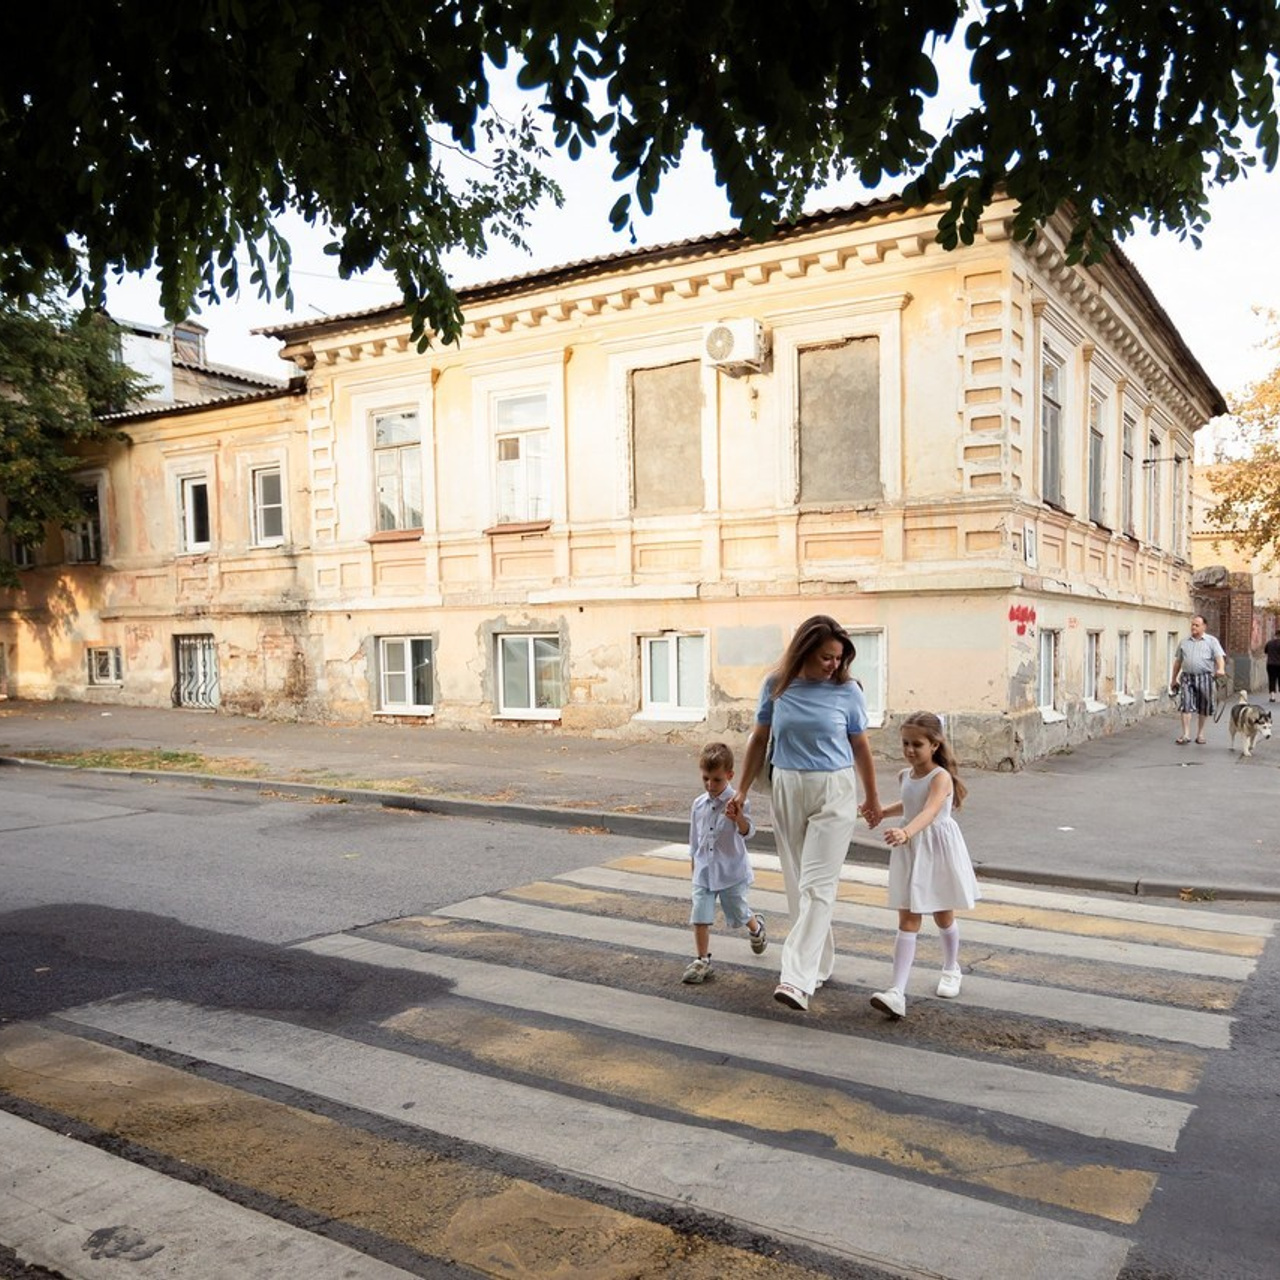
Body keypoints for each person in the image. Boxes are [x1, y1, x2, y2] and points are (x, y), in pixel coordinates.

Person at [726, 615, 883, 1012]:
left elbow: (861, 747)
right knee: (799, 882)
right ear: (804, 652)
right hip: (789, 785)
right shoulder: (775, 687)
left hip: (835, 788)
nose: (833, 664)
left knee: (817, 884)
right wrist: (741, 790)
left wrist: (873, 798)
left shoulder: (848, 691)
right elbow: (759, 739)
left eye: (838, 657)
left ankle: (795, 978)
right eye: (826, 657)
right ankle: (819, 963)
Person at [869, 711, 981, 1020]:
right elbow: (909, 804)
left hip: (935, 848)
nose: (909, 750)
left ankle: (951, 968)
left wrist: (906, 831)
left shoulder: (941, 777)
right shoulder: (906, 775)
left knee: (943, 915)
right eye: (905, 743)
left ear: (934, 745)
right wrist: (881, 812)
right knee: (907, 918)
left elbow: (930, 811)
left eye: (916, 744)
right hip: (911, 848)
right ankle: (896, 992)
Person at [681, 741, 767, 984]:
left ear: (729, 776)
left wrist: (738, 817)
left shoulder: (737, 802)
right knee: (700, 915)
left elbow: (748, 832)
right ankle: (702, 960)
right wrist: (694, 867)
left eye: (717, 780)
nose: (710, 785)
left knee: (738, 912)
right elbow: (694, 839)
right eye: (706, 779)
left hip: (730, 871)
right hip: (705, 871)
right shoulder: (698, 804)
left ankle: (755, 927)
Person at [1169, 615, 1226, 744]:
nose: (1193, 627)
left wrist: (1221, 668)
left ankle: (1200, 734)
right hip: (1187, 677)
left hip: (1205, 677)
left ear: (1204, 627)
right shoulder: (1184, 642)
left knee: (1204, 705)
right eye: (1192, 624)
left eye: (1196, 625)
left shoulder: (1212, 641)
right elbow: (1178, 662)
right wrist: (1173, 679)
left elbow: (1219, 657)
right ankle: (1186, 734)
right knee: (1186, 704)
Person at [1265, 626, 1280, 704]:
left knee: (1272, 680)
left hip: (1270, 664)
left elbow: (1266, 651)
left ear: (1275, 635)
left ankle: (1272, 696)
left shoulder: (1269, 643)